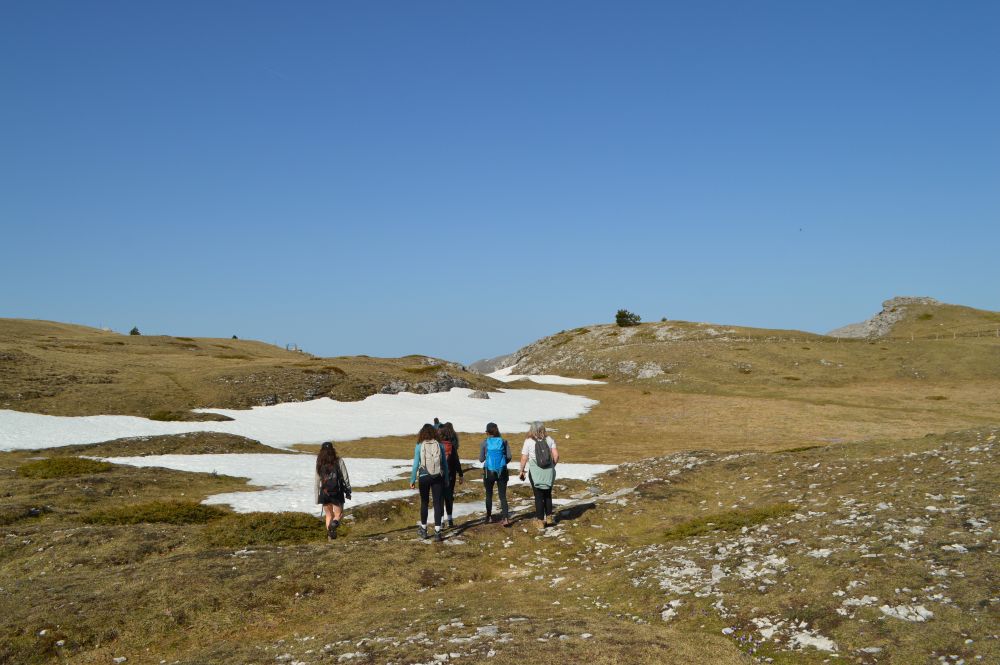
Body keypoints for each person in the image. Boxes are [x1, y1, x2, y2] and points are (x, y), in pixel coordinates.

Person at [410, 423, 450, 542]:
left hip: (424, 476)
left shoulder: (419, 445)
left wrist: (412, 480)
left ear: (422, 433)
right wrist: (446, 478)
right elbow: (445, 465)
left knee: (424, 502)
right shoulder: (440, 445)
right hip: (437, 476)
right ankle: (438, 532)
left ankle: (423, 529)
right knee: (437, 503)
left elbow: (415, 465)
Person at [519, 421, 559, 530]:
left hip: (535, 472)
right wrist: (552, 467)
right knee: (548, 494)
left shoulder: (528, 441)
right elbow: (556, 455)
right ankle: (549, 518)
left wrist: (521, 470)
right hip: (549, 472)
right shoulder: (549, 439)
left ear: (531, 430)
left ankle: (540, 521)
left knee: (538, 496)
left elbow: (524, 458)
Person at [315, 442, 351, 540]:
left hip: (324, 493)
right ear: (333, 450)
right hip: (337, 493)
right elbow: (345, 477)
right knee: (339, 514)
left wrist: (316, 497)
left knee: (328, 515)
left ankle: (330, 538)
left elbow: (317, 481)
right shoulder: (339, 461)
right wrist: (348, 490)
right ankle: (334, 526)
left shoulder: (319, 463)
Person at [479, 422, 512, 527]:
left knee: (489, 495)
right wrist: (503, 463)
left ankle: (488, 517)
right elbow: (509, 456)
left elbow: (481, 459)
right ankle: (506, 518)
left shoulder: (485, 443)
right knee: (502, 496)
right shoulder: (504, 441)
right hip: (502, 471)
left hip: (489, 472)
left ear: (487, 432)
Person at [439, 422, 464, 528]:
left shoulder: (437, 446)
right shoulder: (452, 447)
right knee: (449, 497)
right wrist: (461, 474)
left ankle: (440, 521)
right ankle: (450, 520)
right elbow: (456, 461)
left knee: (439, 497)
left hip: (438, 476)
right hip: (450, 475)